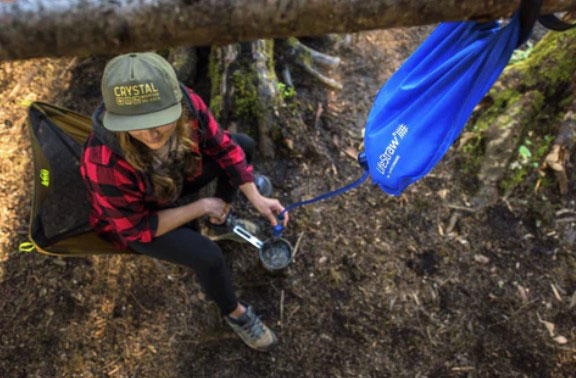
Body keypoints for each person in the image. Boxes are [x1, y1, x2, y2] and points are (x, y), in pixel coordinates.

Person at [80, 52, 289, 352]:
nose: (150, 134)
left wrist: (255, 197)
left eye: (159, 121)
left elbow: (224, 147)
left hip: (174, 180)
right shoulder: (103, 161)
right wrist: (200, 207)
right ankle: (235, 314)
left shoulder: (189, 106)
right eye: (135, 124)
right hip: (144, 218)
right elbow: (135, 228)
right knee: (209, 257)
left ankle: (219, 222)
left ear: (176, 105)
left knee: (244, 146)